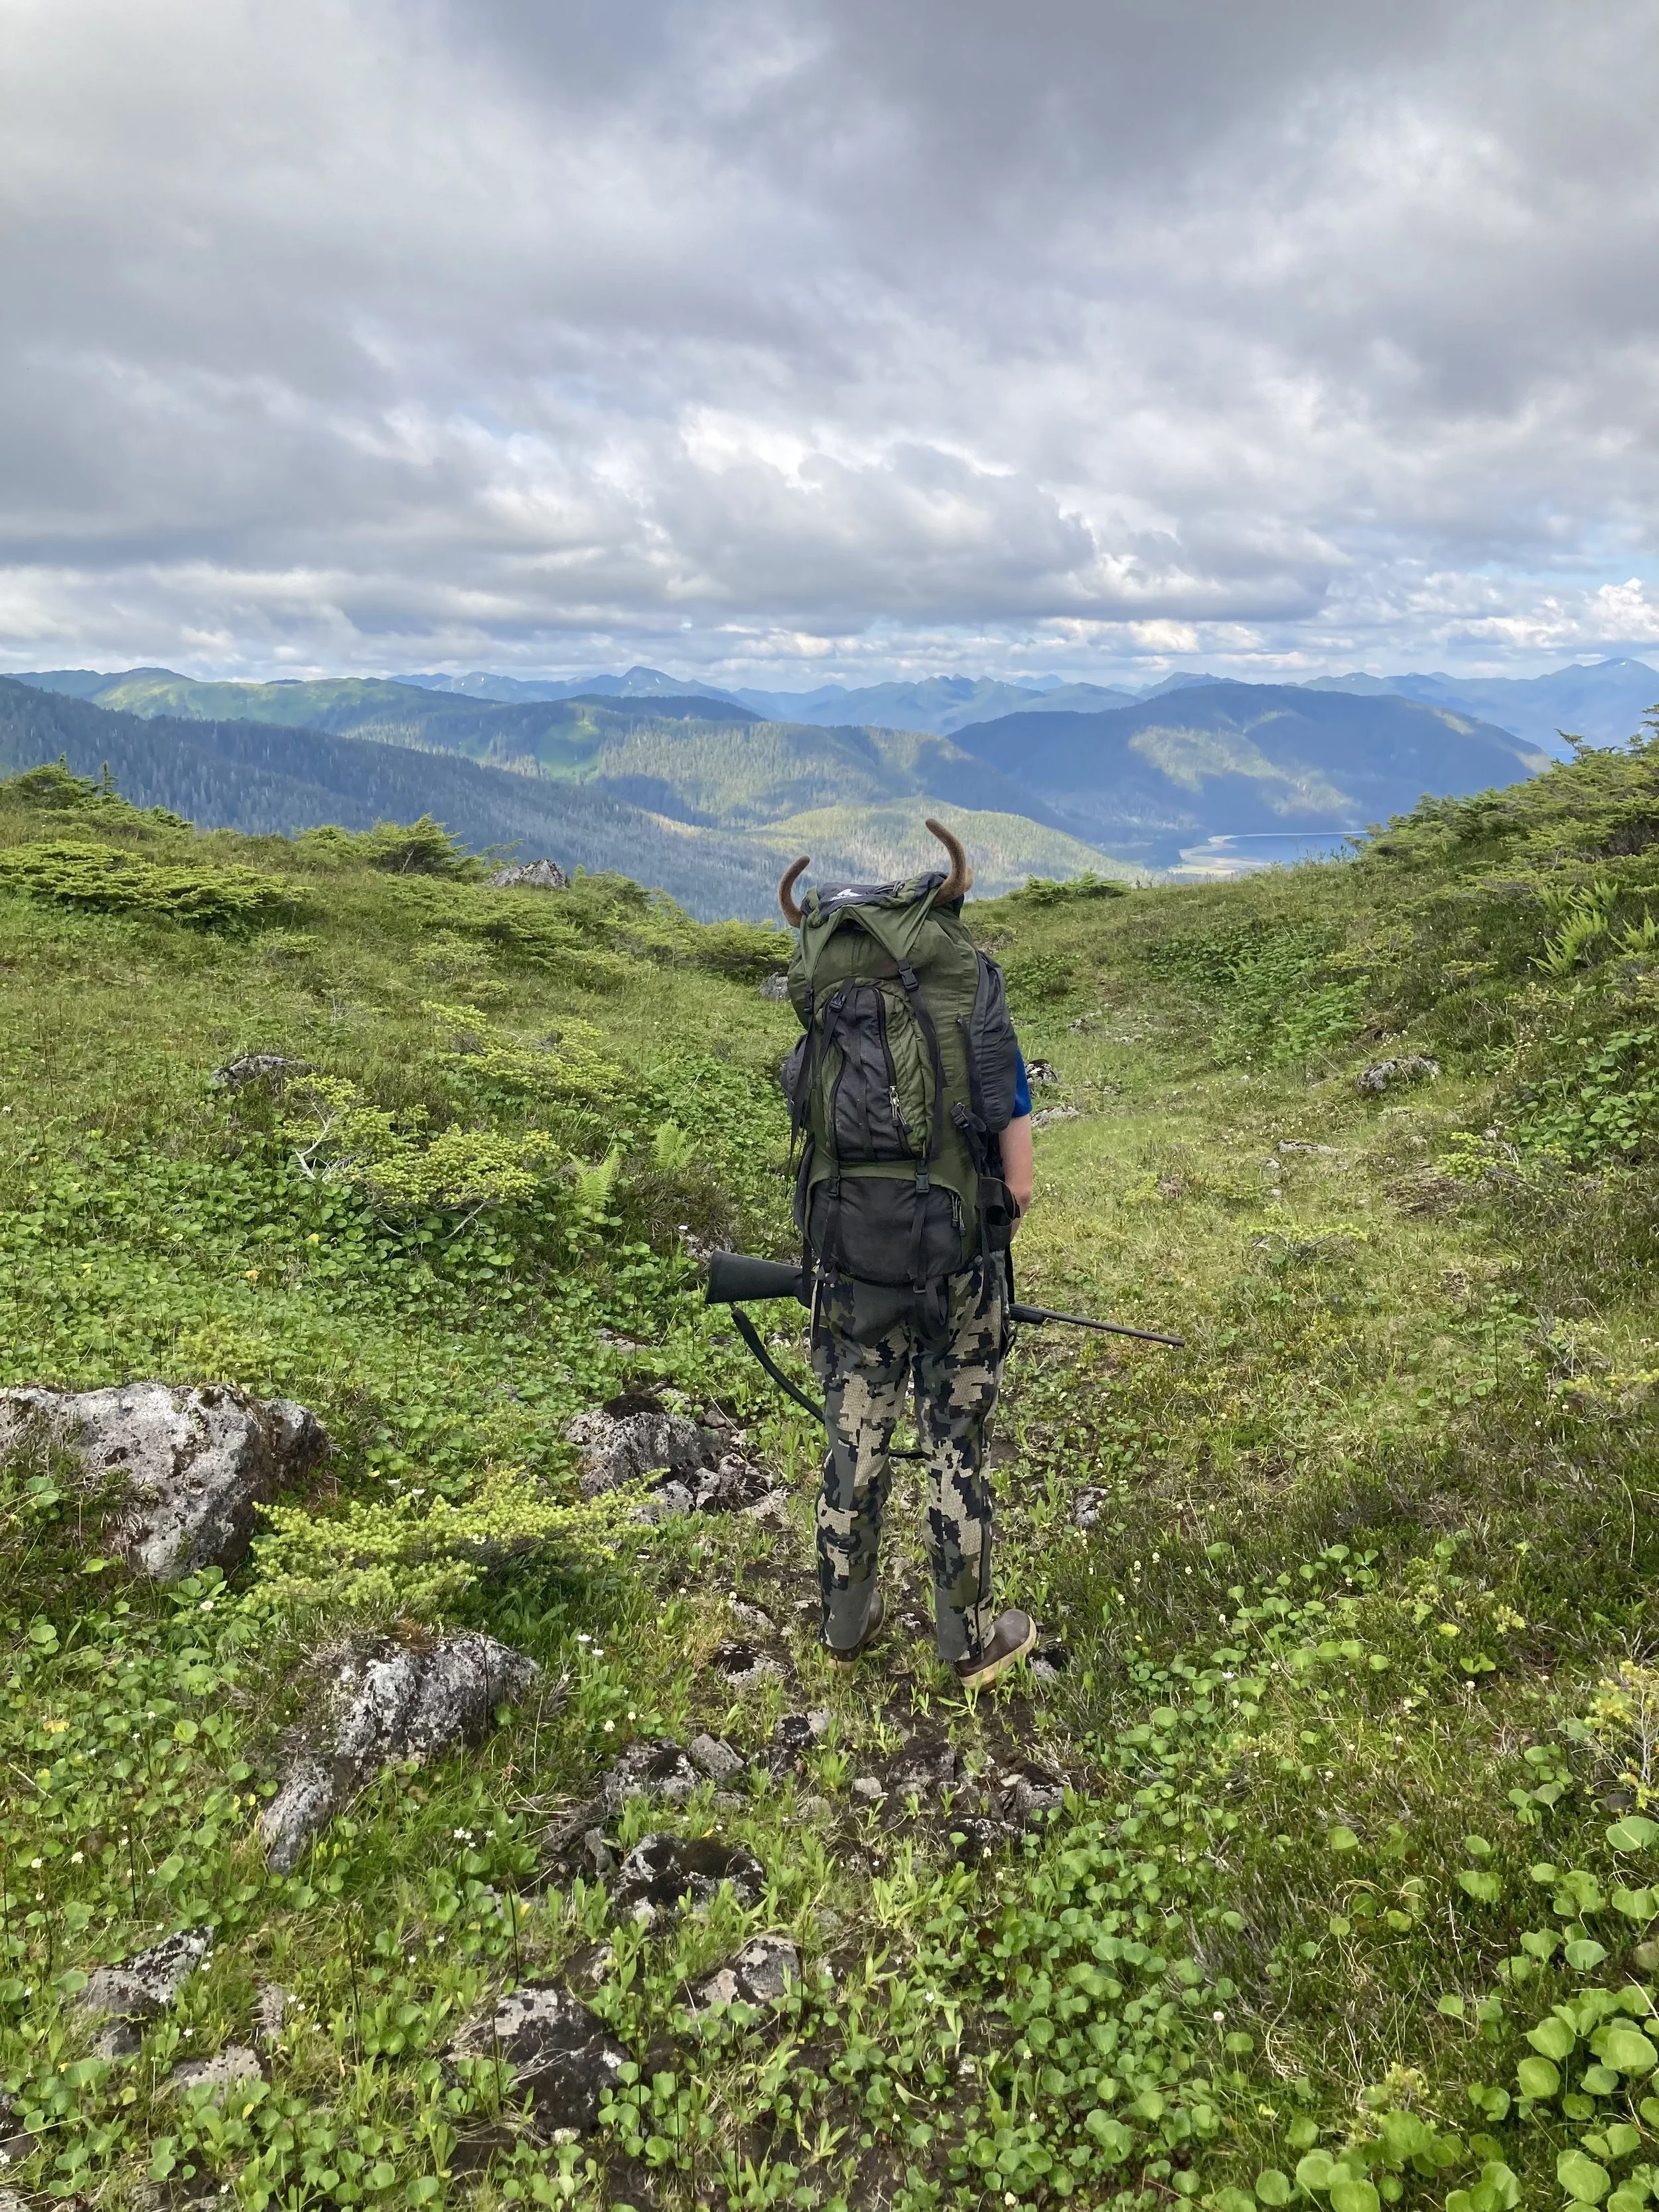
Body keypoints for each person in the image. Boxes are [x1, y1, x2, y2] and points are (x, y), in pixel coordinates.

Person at [778, 822, 1039, 1691]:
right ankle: (966, 1644)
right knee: (956, 1443)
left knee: (854, 1439)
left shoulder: (826, 1021)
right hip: (958, 1265)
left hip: (850, 1262)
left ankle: (844, 1627)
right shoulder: (973, 1007)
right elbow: (1023, 1183)